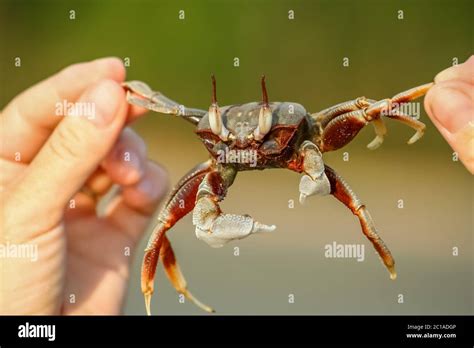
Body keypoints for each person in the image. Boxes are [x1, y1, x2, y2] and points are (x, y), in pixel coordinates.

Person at [0, 56, 472, 315]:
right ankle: (165, 294)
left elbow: (364, 106)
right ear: (213, 134)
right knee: (162, 223)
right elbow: (165, 106)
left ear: (281, 126)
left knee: (362, 182)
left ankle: (384, 253)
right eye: (228, 137)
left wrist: (391, 114)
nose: (248, 144)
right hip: (227, 164)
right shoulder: (223, 153)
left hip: (299, 149)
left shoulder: (302, 132)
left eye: (262, 135)